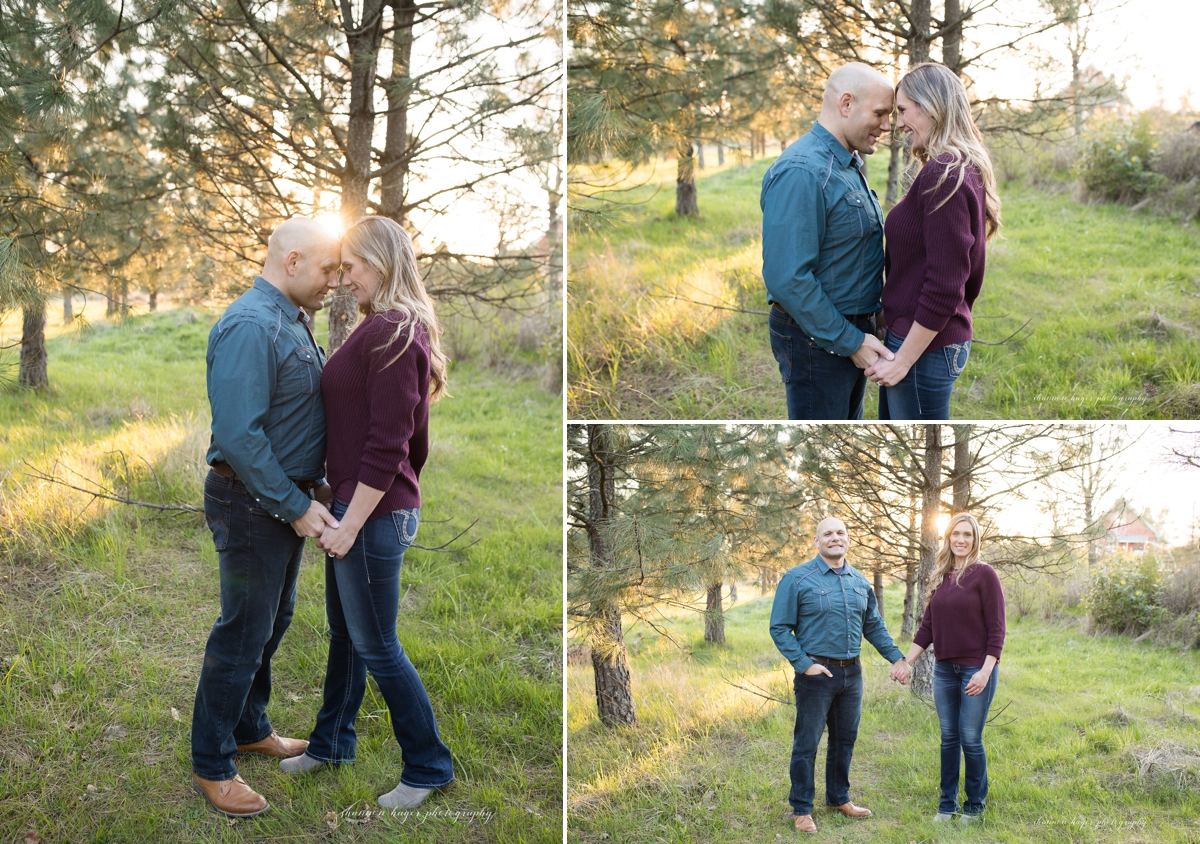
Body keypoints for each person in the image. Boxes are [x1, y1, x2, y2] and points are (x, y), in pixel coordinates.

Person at [279, 215, 456, 811]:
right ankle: (332, 744)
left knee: (378, 645)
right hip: (360, 506)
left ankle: (429, 766)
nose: (342, 278)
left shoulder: (395, 330)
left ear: (380, 263)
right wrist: (340, 495)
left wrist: (352, 520)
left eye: (350, 266)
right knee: (346, 638)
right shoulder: (381, 326)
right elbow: (402, 442)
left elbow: (391, 442)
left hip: (372, 517)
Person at [192, 217, 342, 818]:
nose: (335, 281)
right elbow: (238, 435)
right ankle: (211, 761)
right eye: (328, 269)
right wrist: (299, 505)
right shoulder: (252, 325)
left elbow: (288, 417)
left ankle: (250, 725)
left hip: (280, 500)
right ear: (293, 261)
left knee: (273, 621)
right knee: (243, 632)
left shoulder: (291, 320)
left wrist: (316, 486)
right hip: (252, 503)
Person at [760, 62, 897, 420]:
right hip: (817, 341)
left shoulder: (845, 165)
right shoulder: (803, 171)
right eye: (880, 113)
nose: (887, 126)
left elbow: (851, 251)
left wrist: (875, 314)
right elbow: (788, 278)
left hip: (850, 332)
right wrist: (851, 342)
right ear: (846, 104)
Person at [866, 62, 1002, 419]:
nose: (897, 124)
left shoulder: (945, 172)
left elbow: (945, 285)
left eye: (903, 111)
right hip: (922, 341)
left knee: (919, 447)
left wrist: (903, 361)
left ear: (931, 107)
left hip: (923, 348)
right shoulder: (958, 167)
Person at [769, 517, 911, 834]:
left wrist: (897, 657)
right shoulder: (797, 579)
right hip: (816, 673)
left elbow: (873, 626)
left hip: (852, 674)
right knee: (807, 743)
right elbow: (779, 627)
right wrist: (803, 663)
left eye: (841, 533)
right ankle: (802, 809)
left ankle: (838, 798)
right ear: (817, 542)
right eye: (828, 533)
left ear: (848, 540)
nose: (835, 538)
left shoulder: (860, 582)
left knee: (844, 740)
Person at [893, 513, 1006, 822]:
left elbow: (997, 630)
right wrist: (907, 661)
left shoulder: (985, 575)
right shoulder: (941, 575)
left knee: (970, 737)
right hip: (944, 670)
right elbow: (927, 627)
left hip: (976, 670)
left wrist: (985, 672)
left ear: (975, 539)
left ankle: (975, 804)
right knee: (948, 738)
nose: (961, 539)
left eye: (967, 534)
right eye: (956, 534)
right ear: (948, 538)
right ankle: (947, 803)